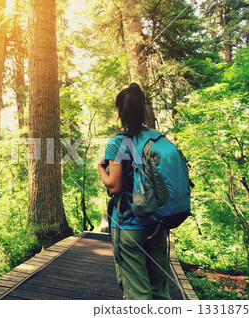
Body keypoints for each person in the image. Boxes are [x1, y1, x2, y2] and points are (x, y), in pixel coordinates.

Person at [97, 83, 170, 300]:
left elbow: (114, 185)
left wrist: (101, 168)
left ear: (120, 111)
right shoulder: (157, 139)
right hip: (157, 225)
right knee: (159, 291)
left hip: (129, 225)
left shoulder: (118, 142)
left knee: (138, 295)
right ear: (143, 109)